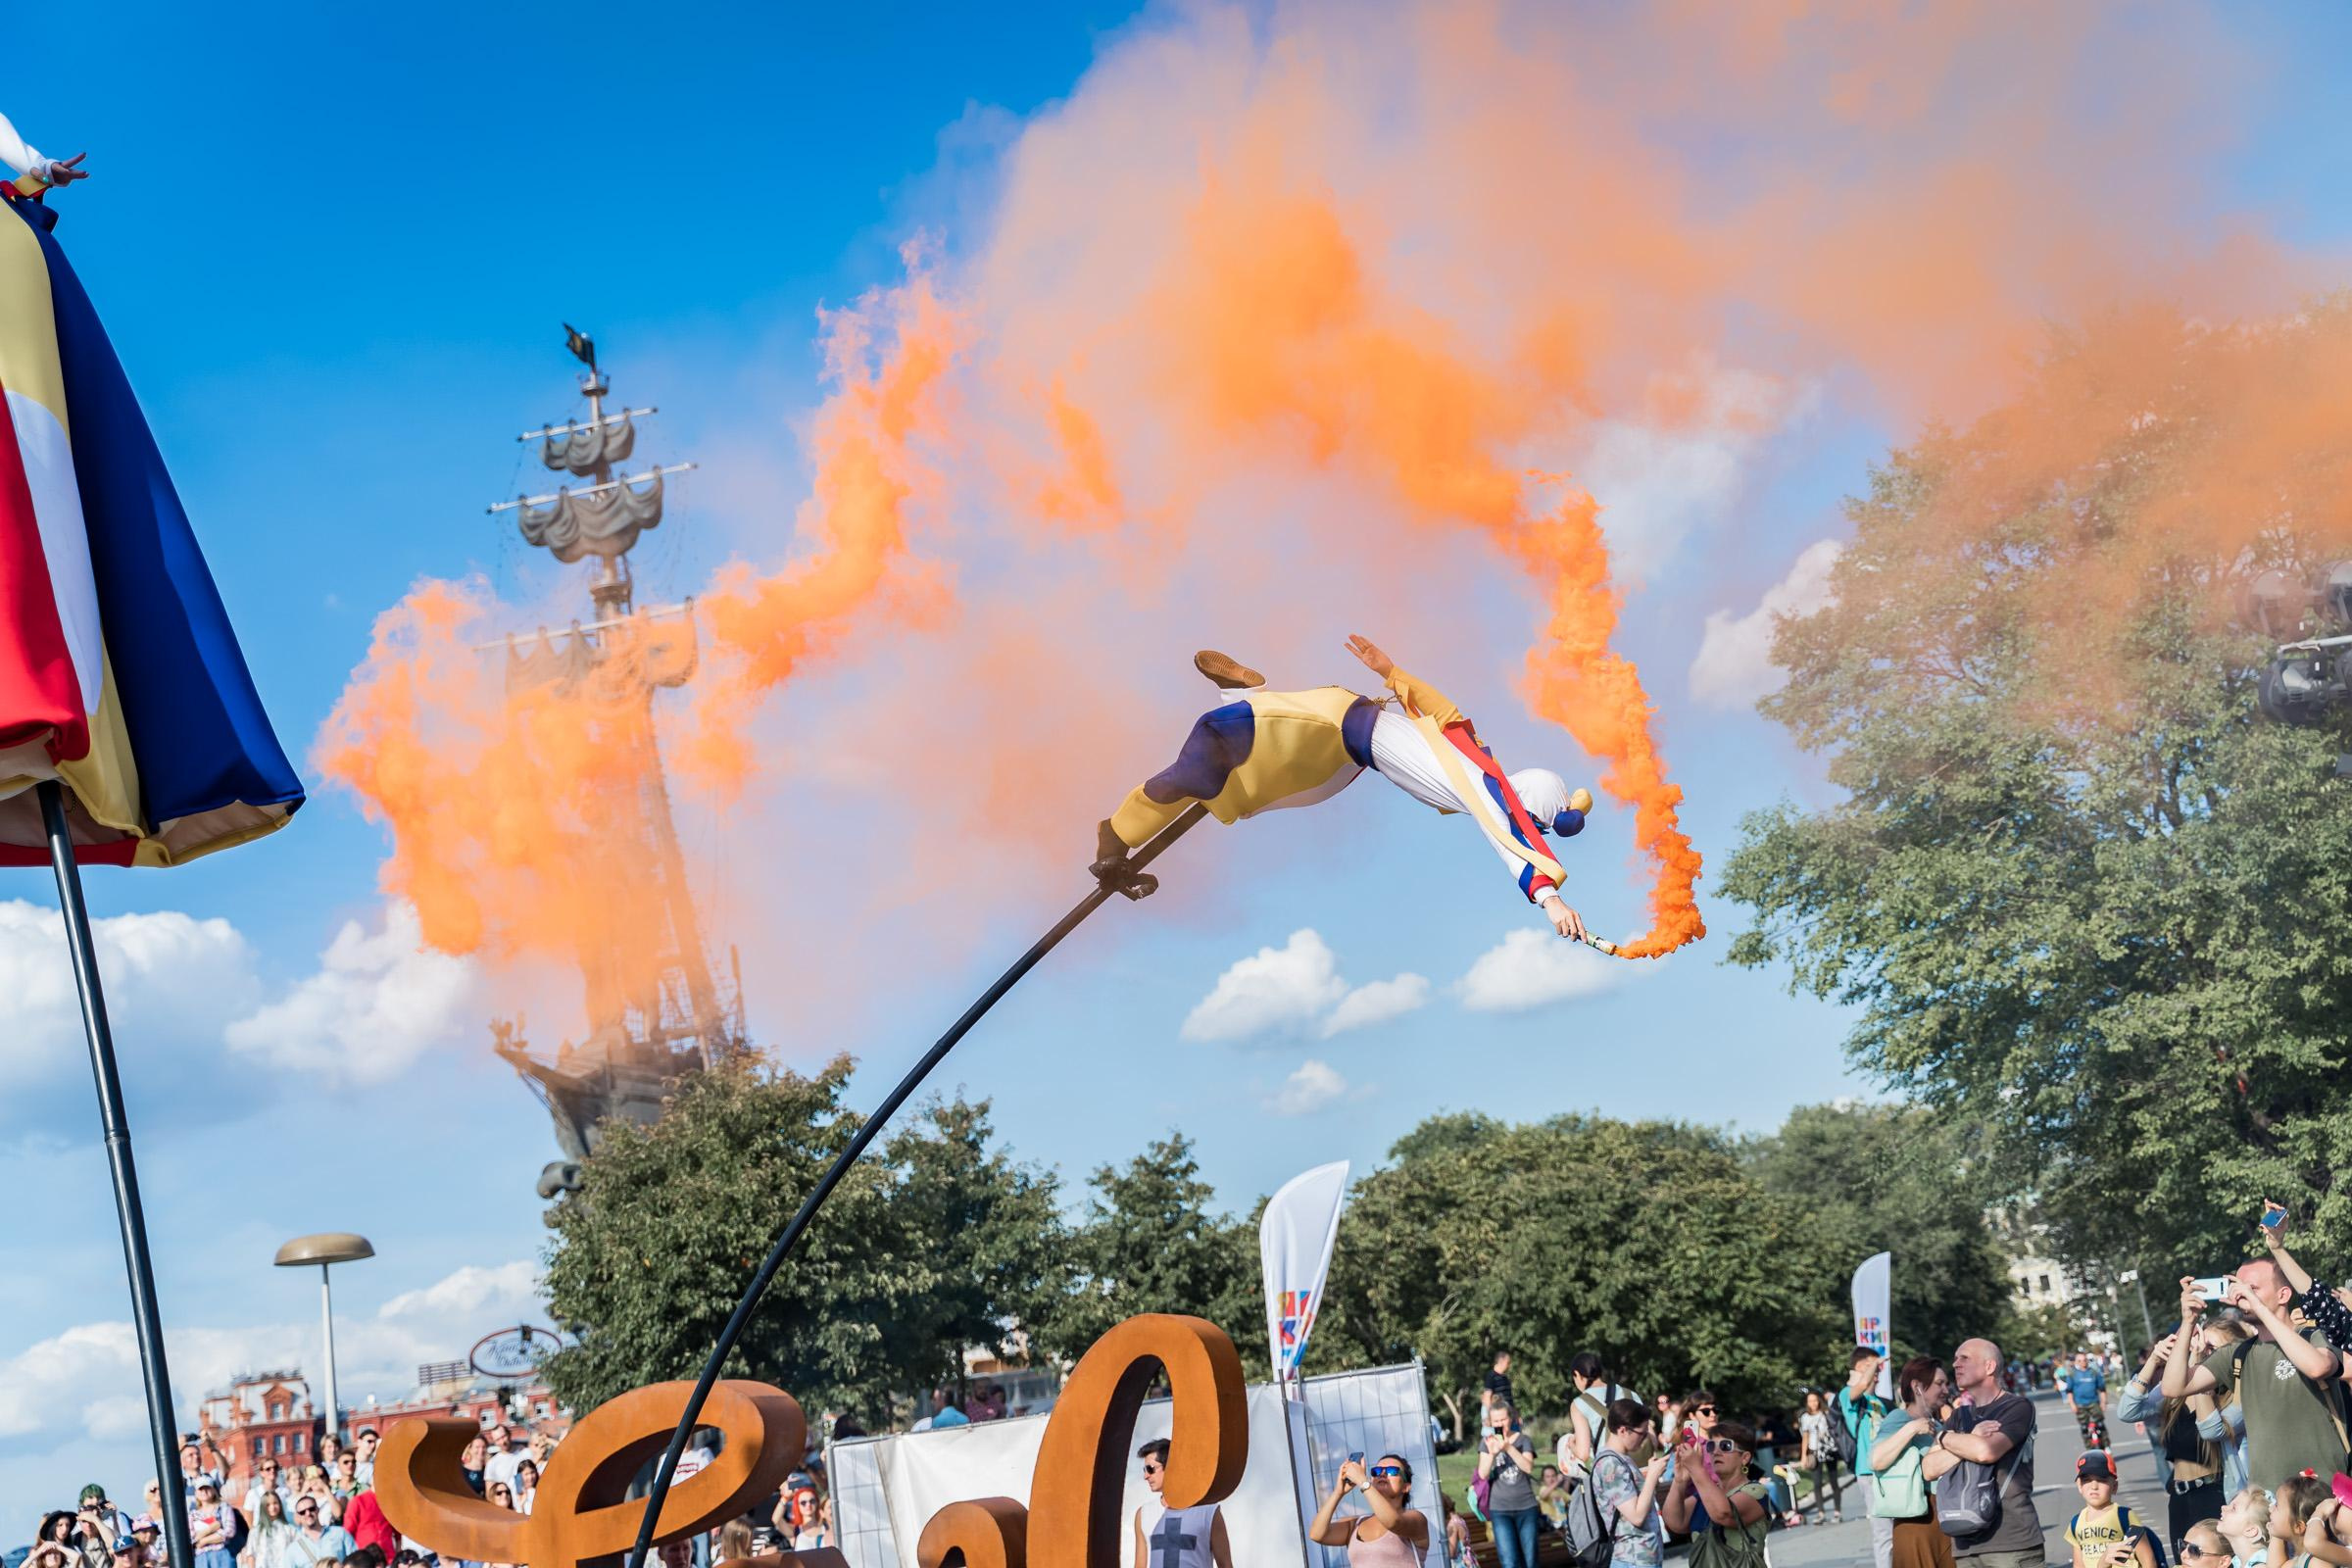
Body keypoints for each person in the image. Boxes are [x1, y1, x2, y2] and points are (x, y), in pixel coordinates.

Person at [1090, 639, 1596, 942]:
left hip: (1338, 749)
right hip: (1340, 731)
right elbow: (1509, 836)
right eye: (1533, 817)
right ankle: (1114, 835)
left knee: (1243, 779)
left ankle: (1243, 692)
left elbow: (1443, 708)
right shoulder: (1489, 789)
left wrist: (1391, 673)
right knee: (1218, 748)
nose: (1523, 821)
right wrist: (1550, 899)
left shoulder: (1471, 749)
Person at [2162, 1266, 2352, 1490]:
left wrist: (2260, 1308)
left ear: (2283, 1295)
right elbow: (2173, 1387)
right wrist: (2188, 1321)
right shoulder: (2237, 1353)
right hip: (2270, 1500)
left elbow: (2317, 1367)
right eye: (2238, 1287)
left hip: (2326, 1490)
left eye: (2252, 1288)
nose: (2242, 1294)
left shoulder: (2314, 1336)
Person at [2119, 1328, 2228, 1548]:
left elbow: (2211, 1431)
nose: (2198, 1349)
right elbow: (2127, 1412)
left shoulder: (2225, 1389)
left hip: (2213, 1493)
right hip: (2180, 1497)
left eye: (2210, 1346)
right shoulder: (2172, 1392)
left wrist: (2198, 1366)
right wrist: (2154, 1360)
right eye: (2191, 1343)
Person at [1944, 1337, 2041, 1568]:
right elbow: (1929, 1468)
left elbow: (1987, 1451)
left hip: (2012, 1542)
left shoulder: (2017, 1407)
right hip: (1964, 1543)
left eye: (1964, 1358)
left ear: (1989, 1366)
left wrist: (1943, 1438)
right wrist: (1970, 1440)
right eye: (1955, 1359)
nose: (1956, 1364)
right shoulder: (1959, 1416)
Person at [1869, 1355, 1957, 1568]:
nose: (1946, 1389)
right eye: (1939, 1383)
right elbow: (1876, 1460)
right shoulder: (1899, 1418)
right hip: (1917, 1523)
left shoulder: (1936, 1423)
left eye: (1946, 1383)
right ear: (1917, 1386)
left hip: (1942, 1519)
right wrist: (1911, 1428)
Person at [1662, 1418, 1772, 1568]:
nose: (1716, 1452)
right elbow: (1674, 1522)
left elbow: (1724, 1514)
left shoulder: (1756, 1491)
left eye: (1725, 1446)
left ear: (1745, 1458)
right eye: (1711, 1446)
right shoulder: (1705, 1495)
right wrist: (1680, 1481)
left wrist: (1697, 1469)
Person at [1308, 1452, 1430, 1568]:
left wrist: (1362, 1482)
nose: (1382, 1474)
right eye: (1376, 1471)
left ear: (1406, 1487)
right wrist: (1338, 1492)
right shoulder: (1355, 1524)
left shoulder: (1416, 1519)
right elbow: (1317, 1534)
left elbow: (1392, 1521)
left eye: (1392, 1471)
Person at [1589, 1397, 1669, 1568]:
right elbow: (1636, 1516)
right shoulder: (1610, 1464)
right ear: (1623, 1430)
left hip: (1640, 1557)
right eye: (1642, 1433)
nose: (1646, 1438)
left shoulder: (1621, 1458)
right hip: (1632, 1558)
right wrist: (1652, 1476)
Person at [1131, 1439, 1235, 1568]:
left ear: (1170, 1466)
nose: (1146, 1476)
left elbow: (1225, 1565)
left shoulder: (1208, 1512)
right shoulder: (1143, 1514)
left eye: (1150, 1469)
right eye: (1144, 1470)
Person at [1839, 1348, 1896, 1568]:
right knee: (1883, 1532)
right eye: (1874, 1365)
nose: (1879, 1370)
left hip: (1890, 1471)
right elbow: (1860, 1386)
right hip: (1869, 1472)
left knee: (1897, 1530)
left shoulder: (1880, 1402)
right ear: (1861, 1367)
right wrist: (1876, 1362)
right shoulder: (1848, 1395)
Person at [1476, 1399, 1542, 1568]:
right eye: (1495, 1421)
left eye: (1503, 1419)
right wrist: (1492, 1453)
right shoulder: (1486, 1442)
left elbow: (1528, 1467)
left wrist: (1508, 1448)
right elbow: (1483, 1473)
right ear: (1490, 1422)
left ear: (1510, 1418)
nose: (1499, 1424)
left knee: (1531, 1560)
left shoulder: (1523, 1440)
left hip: (1526, 1507)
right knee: (1509, 1562)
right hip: (1500, 1509)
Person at [2067, 1451, 2158, 1568]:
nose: (2094, 1486)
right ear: (2079, 1486)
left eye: (2102, 1480)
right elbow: (2079, 1565)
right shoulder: (2076, 1522)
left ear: (2114, 1486)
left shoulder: (2123, 1516)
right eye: (2087, 1480)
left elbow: (2148, 1560)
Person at [1565, 1353, 1643, 1472]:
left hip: (1611, 1471)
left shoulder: (1579, 1403)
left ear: (1577, 1374)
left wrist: (1571, 1445)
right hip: (1641, 1469)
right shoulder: (1630, 1394)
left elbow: (1583, 1453)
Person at [1799, 1388, 1846, 1525]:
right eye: (1810, 1401)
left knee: (1833, 1481)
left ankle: (1837, 1512)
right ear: (1807, 1403)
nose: (1813, 1403)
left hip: (1829, 1450)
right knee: (1817, 1483)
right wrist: (1804, 1455)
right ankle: (1821, 1513)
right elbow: (1805, 1437)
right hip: (1815, 1451)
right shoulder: (1805, 1417)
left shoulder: (1826, 1413)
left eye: (1815, 1400)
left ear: (1819, 1401)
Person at [2267, 1476, 2330, 1568]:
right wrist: (2276, 1533)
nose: (2270, 1509)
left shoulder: (2318, 1563)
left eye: (2276, 1505)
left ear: (2298, 1526)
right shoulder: (2301, 1560)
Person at [290, 1497, 356, 1566]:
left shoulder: (340, 1533)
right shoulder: (294, 1547)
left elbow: (355, 1561)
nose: (308, 1513)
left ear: (318, 1509)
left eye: (311, 1509)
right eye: (302, 1512)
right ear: (298, 1516)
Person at [2218, 1486, 2274, 1568]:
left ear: (2250, 1530)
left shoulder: (2260, 1566)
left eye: (2234, 1508)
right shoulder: (2238, 1562)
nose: (2223, 1507)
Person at [2064, 1352, 2112, 1447]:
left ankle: (2106, 1447)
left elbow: (2102, 1389)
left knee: (2100, 1424)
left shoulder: (2094, 1372)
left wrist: (2103, 1402)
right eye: (2080, 1360)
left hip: (2094, 1402)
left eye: (2084, 1360)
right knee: (2084, 1427)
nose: (2083, 1362)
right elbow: (2069, 1391)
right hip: (2080, 1404)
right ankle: (2089, 1449)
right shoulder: (2073, 1374)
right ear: (2076, 1362)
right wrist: (2072, 1404)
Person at [188, 1480, 238, 1568]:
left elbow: (230, 1531)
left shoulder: (223, 1507)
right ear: (196, 1493)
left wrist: (203, 1540)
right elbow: (192, 1538)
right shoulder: (192, 1514)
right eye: (201, 1489)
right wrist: (214, 1527)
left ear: (213, 1490)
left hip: (222, 1554)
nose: (204, 1491)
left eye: (207, 1488)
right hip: (201, 1558)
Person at [248, 1492, 305, 1568]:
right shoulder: (256, 1532)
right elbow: (251, 1555)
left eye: (275, 1503)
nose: (272, 1507)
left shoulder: (289, 1529)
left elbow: (299, 1551)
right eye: (268, 1505)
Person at [246, 1459, 295, 1527]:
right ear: (261, 1472)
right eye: (268, 1469)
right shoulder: (253, 1493)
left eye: (275, 1467)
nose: (272, 1470)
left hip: (282, 1531)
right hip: (261, 1532)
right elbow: (248, 1518)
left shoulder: (285, 1491)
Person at [1484, 1352, 1518, 1428]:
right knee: (1500, 1437)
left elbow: (1510, 1399)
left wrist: (1516, 1415)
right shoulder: (1491, 1376)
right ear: (1501, 1361)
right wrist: (1490, 1416)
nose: (1509, 1365)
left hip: (1509, 1416)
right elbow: (1487, 1397)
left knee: (1515, 1436)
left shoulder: (1505, 1378)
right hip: (1499, 1417)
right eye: (1508, 1362)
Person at [1535, 1465, 1572, 1531]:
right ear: (1543, 1479)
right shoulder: (1543, 1489)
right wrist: (1557, 1482)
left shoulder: (1559, 1491)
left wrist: (1567, 1480)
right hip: (1551, 1523)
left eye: (1553, 1476)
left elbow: (1569, 1498)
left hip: (1564, 1521)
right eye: (1547, 1477)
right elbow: (1543, 1496)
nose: (1551, 1479)